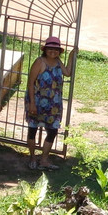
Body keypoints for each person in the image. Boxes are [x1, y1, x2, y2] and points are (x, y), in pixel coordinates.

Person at [25, 35, 75, 170]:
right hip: (37, 101)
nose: (53, 51)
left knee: (52, 131)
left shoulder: (58, 62)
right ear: (45, 50)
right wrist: (32, 104)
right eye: (50, 49)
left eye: (56, 49)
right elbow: (30, 83)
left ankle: (44, 159)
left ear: (59, 51)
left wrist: (71, 56)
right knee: (33, 129)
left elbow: (68, 73)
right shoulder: (39, 62)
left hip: (54, 103)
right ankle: (32, 157)